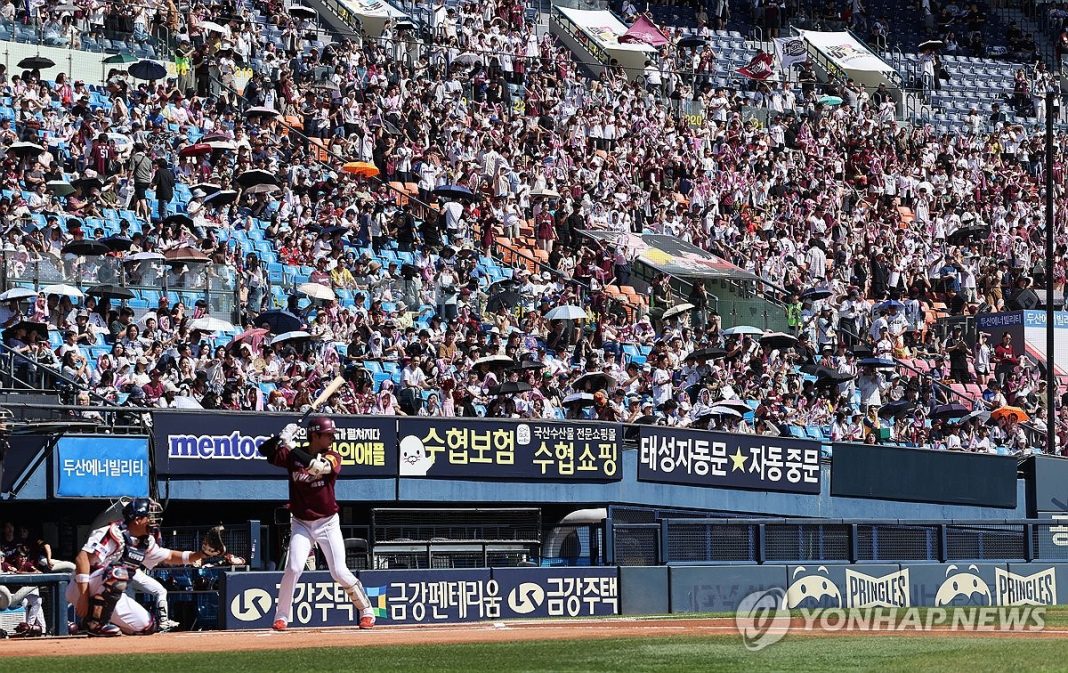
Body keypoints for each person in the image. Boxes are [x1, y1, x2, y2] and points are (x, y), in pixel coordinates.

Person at [257, 415, 375, 631]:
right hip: (301, 522)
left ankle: (366, 610)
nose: (332, 438)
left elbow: (316, 467)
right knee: (293, 567)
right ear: (315, 435)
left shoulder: (333, 456)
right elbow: (264, 452)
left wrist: (290, 445)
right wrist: (280, 437)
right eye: (328, 435)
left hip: (327, 522)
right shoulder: (293, 454)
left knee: (338, 571)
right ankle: (281, 616)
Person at [67, 498, 236, 636]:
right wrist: (82, 597)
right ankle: (94, 623)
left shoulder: (145, 541)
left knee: (148, 627)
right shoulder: (113, 532)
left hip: (109, 592)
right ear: (138, 519)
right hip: (84, 586)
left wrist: (201, 554)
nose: (154, 520)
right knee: (119, 572)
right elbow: (82, 559)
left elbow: (169, 556)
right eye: (149, 516)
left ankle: (94, 621)